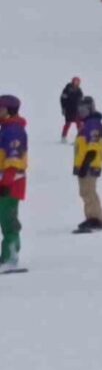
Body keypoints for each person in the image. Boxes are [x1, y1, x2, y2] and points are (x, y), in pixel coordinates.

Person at [74, 97, 102, 232]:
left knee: (89, 191)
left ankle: (96, 218)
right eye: (80, 110)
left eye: (84, 110)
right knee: (85, 191)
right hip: (84, 164)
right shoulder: (86, 123)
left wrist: (85, 163)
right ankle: (93, 216)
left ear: (90, 109)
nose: (81, 113)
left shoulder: (93, 123)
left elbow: (93, 147)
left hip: (89, 164)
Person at [0, 95, 27, 271]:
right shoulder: (6, 129)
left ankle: (10, 258)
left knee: (8, 218)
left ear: (9, 111)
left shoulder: (14, 131)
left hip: (10, 184)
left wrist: (6, 183)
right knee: (4, 218)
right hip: (4, 182)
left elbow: (14, 160)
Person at [60, 76, 83, 141]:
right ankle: (63, 137)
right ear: (72, 82)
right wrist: (63, 108)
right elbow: (62, 99)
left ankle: (80, 137)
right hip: (68, 109)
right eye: (75, 81)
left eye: (77, 82)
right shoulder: (67, 89)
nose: (76, 83)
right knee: (68, 123)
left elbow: (81, 99)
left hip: (77, 110)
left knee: (79, 123)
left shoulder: (79, 90)